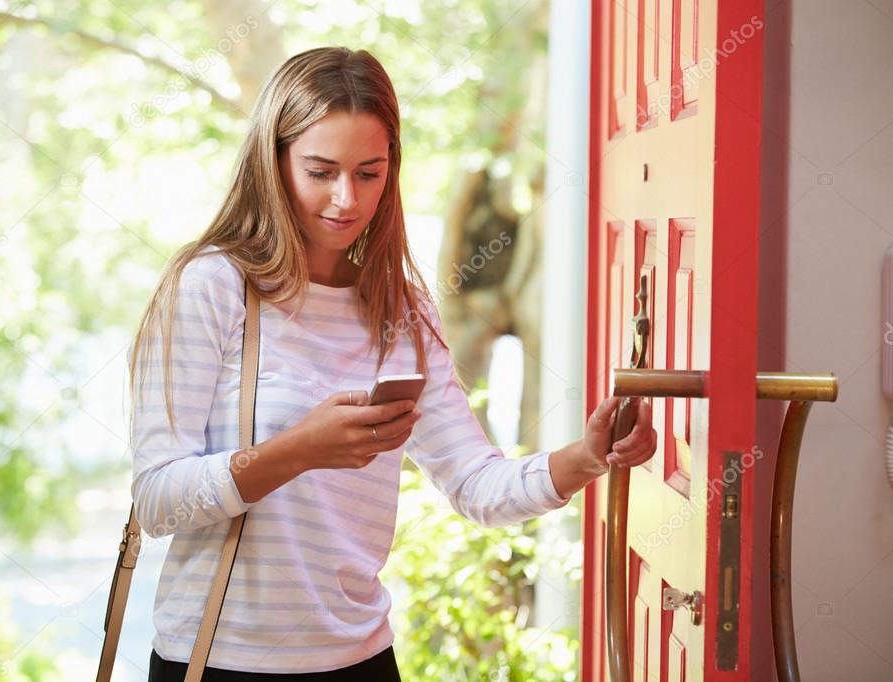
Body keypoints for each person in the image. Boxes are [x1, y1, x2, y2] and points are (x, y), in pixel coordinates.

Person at [127, 46, 656, 682]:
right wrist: (298, 449)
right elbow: (158, 502)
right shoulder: (211, 286)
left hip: (361, 661)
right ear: (273, 163)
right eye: (320, 171)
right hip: (218, 661)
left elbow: (476, 486)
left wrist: (587, 456)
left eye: (368, 173)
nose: (345, 200)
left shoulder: (398, 307)